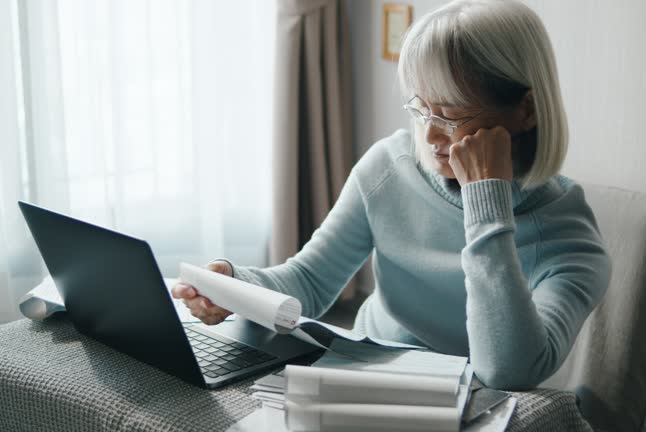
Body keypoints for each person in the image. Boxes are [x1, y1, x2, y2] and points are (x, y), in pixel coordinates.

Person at [172, 0, 611, 390]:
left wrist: (486, 201)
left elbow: (508, 372)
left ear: (526, 110)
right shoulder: (390, 166)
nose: (431, 133)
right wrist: (232, 285)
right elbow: (309, 281)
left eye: (453, 114)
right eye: (421, 108)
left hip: (467, 399)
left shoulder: (568, 236)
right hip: (363, 370)